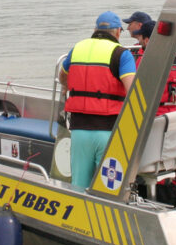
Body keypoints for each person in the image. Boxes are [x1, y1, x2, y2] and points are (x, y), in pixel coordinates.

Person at [59, 11, 137, 190]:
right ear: (118, 32)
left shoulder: (77, 48)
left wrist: (66, 87)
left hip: (79, 130)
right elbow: (132, 90)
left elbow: (62, 75)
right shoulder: (122, 54)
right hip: (108, 131)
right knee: (109, 188)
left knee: (78, 185)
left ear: (95, 29)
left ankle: (79, 217)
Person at [133, 20, 176, 204]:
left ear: (146, 40)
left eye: (141, 39)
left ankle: (129, 197)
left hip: (154, 125)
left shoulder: (144, 61)